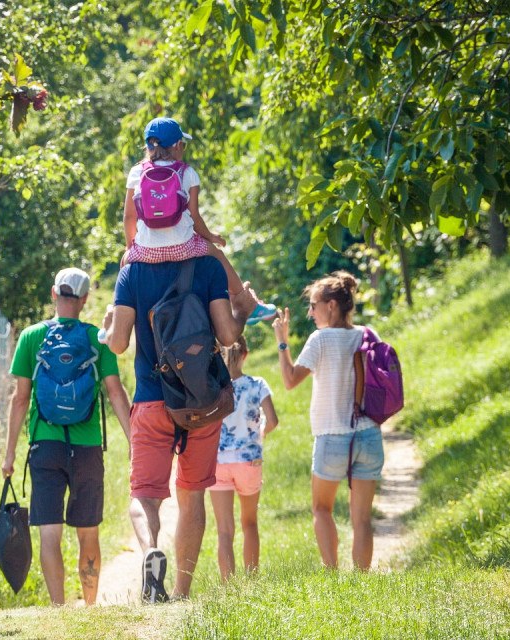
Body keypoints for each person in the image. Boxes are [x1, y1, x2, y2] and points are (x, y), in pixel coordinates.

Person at [102, 256, 259, 602]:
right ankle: (181, 591)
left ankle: (149, 552)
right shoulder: (207, 266)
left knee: (144, 494)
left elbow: (117, 344)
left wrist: (107, 325)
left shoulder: (132, 273)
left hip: (151, 399)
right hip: (201, 401)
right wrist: (244, 309)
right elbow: (229, 336)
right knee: (192, 494)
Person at [1, 268, 133, 606]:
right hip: (86, 446)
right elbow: (116, 393)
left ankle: (59, 611)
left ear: (53, 294)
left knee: (49, 533)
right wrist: (135, 442)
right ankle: (89, 607)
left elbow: (20, 399)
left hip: (45, 446)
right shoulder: (97, 338)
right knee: (88, 531)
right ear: (85, 298)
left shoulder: (31, 337)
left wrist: (9, 455)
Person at [271, 271, 384, 571]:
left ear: (331, 305)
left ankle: (333, 577)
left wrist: (282, 343)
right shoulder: (367, 334)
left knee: (322, 509)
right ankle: (362, 580)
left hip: (332, 437)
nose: (310, 312)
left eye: (313, 305)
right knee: (362, 518)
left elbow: (290, 380)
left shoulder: (320, 339)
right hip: (369, 435)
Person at [122, 117, 276, 325]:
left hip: (146, 251)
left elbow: (129, 216)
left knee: (124, 265)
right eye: (183, 145)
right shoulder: (188, 173)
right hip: (183, 247)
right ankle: (244, 301)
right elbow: (194, 218)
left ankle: (116, 317)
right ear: (177, 145)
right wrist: (211, 237)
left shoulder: (136, 172)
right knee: (217, 254)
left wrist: (130, 247)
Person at [209, 336, 278, 580]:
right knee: (249, 523)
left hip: (219, 462)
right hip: (249, 460)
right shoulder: (258, 384)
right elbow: (273, 421)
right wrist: (260, 435)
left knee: (224, 531)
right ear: (246, 355)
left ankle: (229, 588)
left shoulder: (214, 387)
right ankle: (251, 582)